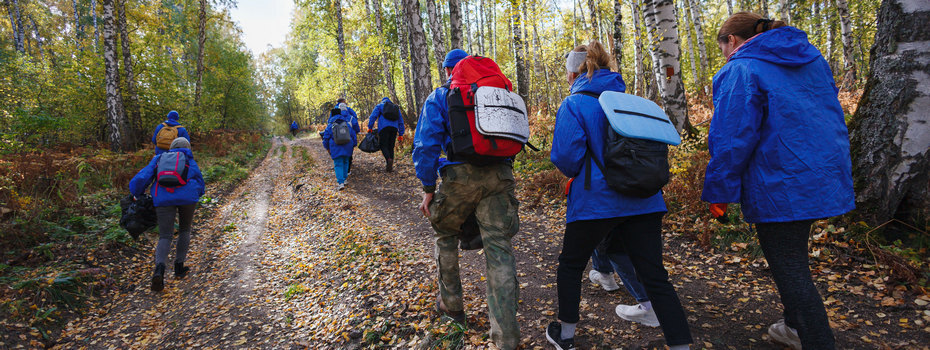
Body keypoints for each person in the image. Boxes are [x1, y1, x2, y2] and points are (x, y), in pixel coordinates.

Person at [703, 13, 854, 350]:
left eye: (723, 47)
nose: (725, 55)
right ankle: (792, 325)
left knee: (789, 267)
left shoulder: (741, 68)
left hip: (779, 182)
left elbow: (731, 138)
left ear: (733, 41)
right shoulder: (812, 60)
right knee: (793, 256)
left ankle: (817, 340)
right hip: (822, 176)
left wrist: (719, 191)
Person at [547, 41, 692, 350]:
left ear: (574, 75)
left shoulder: (574, 104)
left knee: (571, 266)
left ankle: (567, 336)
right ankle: (681, 345)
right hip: (645, 200)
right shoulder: (631, 102)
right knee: (655, 275)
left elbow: (567, 159)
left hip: (595, 202)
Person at [413, 49, 521, 350]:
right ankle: (507, 337)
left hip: (459, 177)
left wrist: (428, 187)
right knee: (499, 249)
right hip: (500, 176)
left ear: (449, 69)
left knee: (445, 234)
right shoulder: (497, 91)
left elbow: (425, 145)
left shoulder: (441, 95)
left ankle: (452, 307)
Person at [129, 137, 205, 292]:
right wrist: (198, 193)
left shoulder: (159, 158)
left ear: (171, 147)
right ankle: (179, 267)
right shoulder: (189, 158)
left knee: (165, 235)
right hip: (188, 198)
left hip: (163, 198)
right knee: (185, 230)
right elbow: (199, 179)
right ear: (187, 147)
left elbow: (143, 176)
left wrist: (136, 193)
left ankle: (159, 270)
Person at [323, 107, 357, 190]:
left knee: (338, 164)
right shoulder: (346, 123)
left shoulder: (330, 125)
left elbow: (326, 138)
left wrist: (327, 147)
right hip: (347, 146)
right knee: (346, 162)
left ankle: (341, 182)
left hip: (335, 147)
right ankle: (344, 179)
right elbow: (353, 135)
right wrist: (354, 144)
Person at [367, 97, 405, 172]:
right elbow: (401, 121)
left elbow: (373, 116)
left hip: (383, 128)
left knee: (383, 145)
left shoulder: (380, 106)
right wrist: (401, 134)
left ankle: (388, 159)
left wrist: (370, 127)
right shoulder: (396, 108)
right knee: (391, 146)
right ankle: (390, 166)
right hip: (394, 129)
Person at [337, 100, 361, 174]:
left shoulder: (335, 118)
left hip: (339, 138)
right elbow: (356, 127)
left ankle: (342, 170)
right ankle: (348, 170)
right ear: (346, 108)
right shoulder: (351, 118)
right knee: (349, 153)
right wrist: (356, 132)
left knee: (341, 153)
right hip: (350, 138)